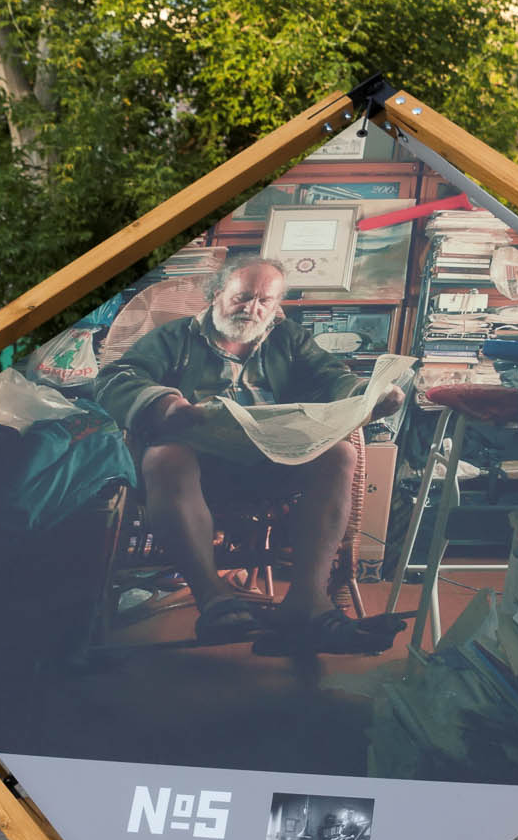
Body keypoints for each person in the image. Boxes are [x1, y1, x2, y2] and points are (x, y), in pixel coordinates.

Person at [94, 256, 404, 653]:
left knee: (339, 454)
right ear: (216, 294)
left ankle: (307, 600)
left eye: (264, 301)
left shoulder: (288, 338)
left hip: (272, 463)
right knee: (162, 457)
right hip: (196, 468)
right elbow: (116, 378)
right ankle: (214, 600)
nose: (252, 309)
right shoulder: (174, 337)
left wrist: (368, 395)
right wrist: (165, 404)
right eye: (242, 297)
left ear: (275, 306)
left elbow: (332, 377)